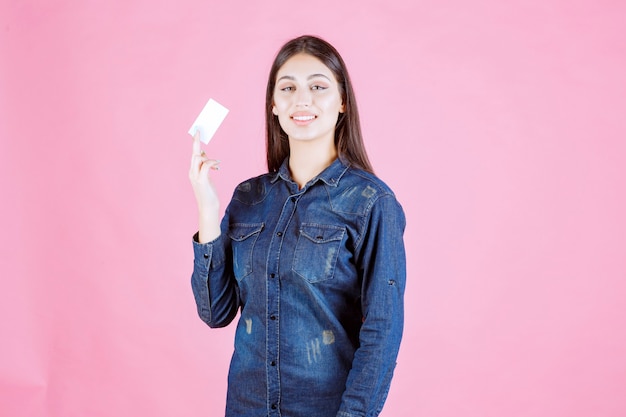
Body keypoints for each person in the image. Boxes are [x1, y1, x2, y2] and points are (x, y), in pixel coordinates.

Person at [188, 35, 406, 417]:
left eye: (318, 86)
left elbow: (383, 332)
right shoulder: (249, 198)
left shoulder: (372, 202)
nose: (301, 99)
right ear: (273, 104)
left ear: (341, 102)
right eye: (287, 88)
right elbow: (215, 312)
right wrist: (207, 208)